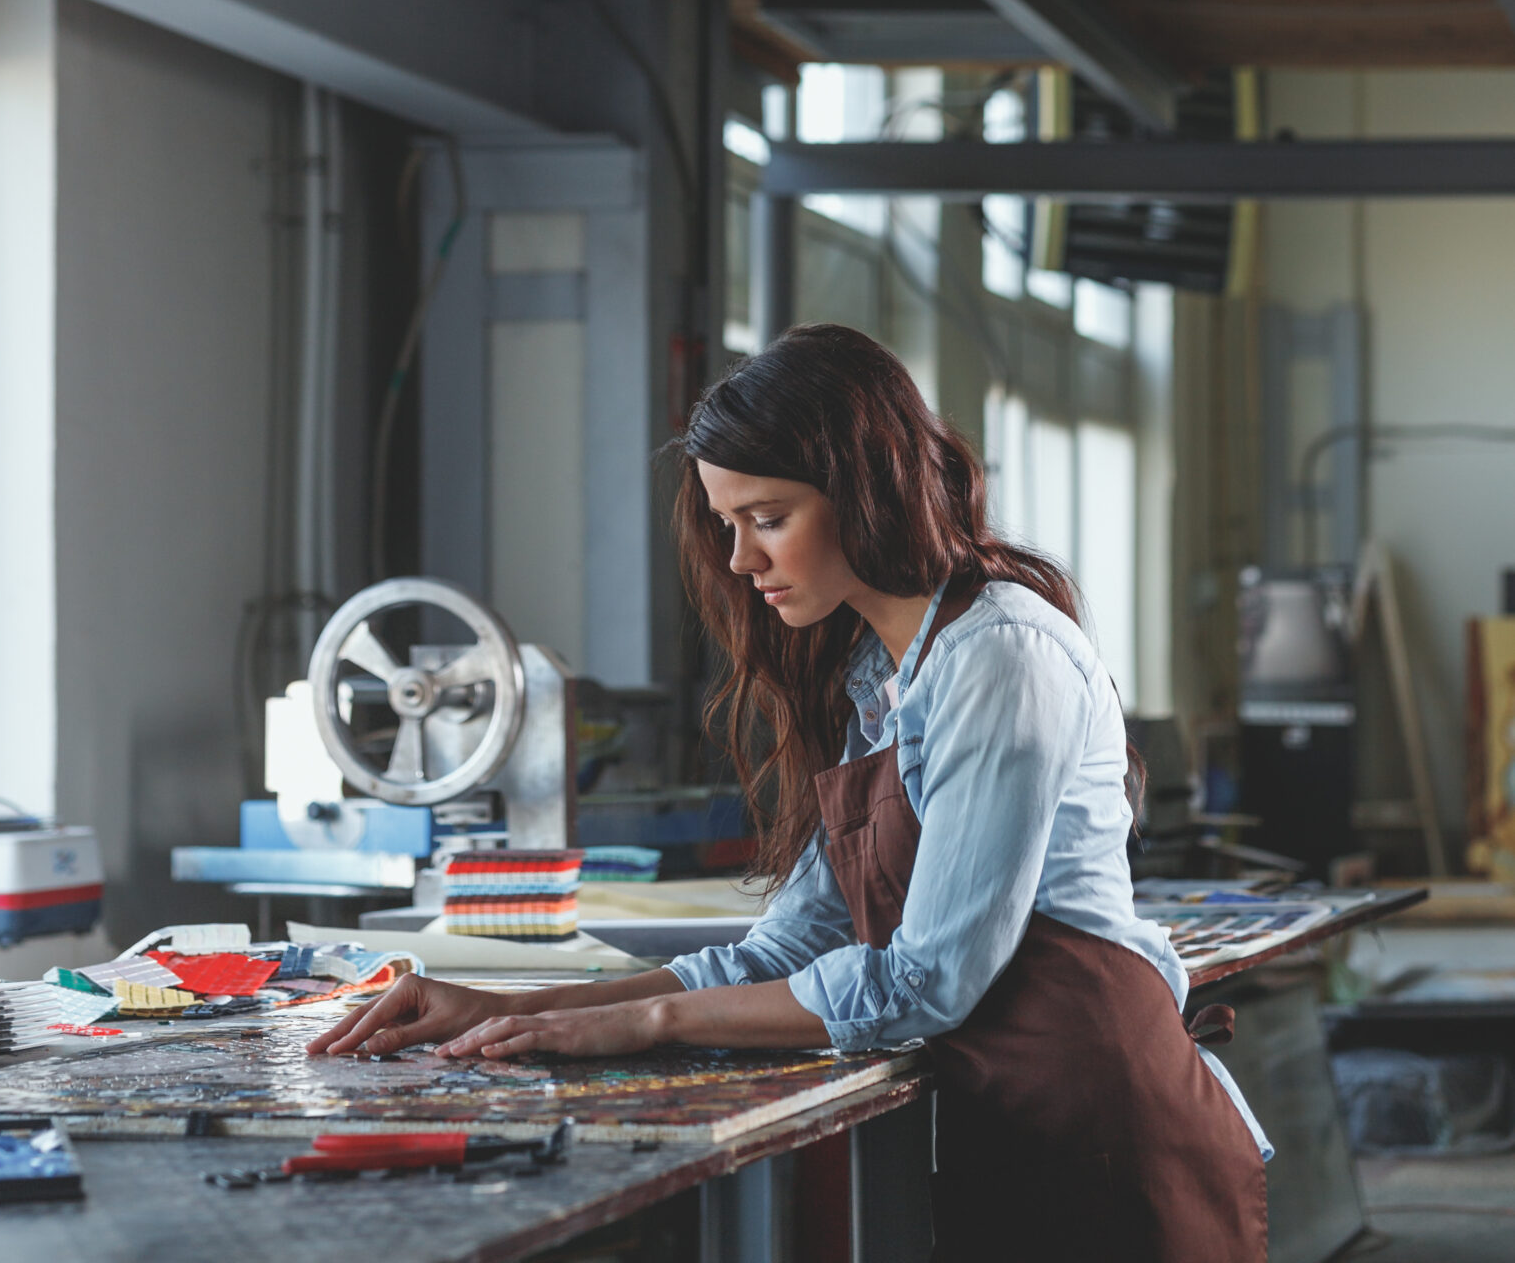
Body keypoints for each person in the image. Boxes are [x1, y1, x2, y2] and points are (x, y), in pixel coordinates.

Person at [311, 322, 1269, 1261]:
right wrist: (521, 1010)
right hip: (1016, 1123)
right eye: (729, 525)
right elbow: (788, 946)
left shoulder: (999, 658)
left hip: (1109, 1137)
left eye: (768, 520)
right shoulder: (882, 676)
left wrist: (647, 1019)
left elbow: (926, 981)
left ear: (869, 492)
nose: (740, 560)